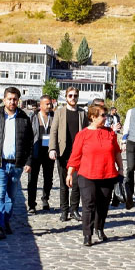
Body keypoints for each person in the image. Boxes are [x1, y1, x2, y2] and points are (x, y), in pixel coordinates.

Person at [65, 103, 124, 246]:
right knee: (88, 205)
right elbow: (75, 156)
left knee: (103, 205)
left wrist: (121, 168)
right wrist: (69, 173)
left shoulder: (110, 132)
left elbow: (116, 152)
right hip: (87, 175)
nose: (106, 118)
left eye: (106, 115)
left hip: (107, 174)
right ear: (92, 117)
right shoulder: (83, 134)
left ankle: (99, 228)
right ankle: (87, 234)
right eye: (103, 115)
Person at [0, 87, 33, 241]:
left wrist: (28, 161)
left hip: (16, 164)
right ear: (4, 100)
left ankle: (5, 221)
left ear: (18, 100)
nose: (12, 102)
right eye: (9, 99)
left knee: (11, 196)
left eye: (15, 99)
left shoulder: (24, 118)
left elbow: (30, 142)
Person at [49, 87, 89, 222]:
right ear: (66, 97)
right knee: (63, 183)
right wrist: (52, 149)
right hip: (63, 152)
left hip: (78, 154)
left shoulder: (82, 113)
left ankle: (74, 209)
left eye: (75, 96)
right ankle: (64, 210)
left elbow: (87, 133)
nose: (73, 98)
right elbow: (53, 132)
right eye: (70, 95)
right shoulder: (59, 112)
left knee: (77, 183)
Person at [27, 95, 54, 214]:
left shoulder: (54, 117)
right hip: (35, 152)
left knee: (48, 178)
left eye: (50, 104)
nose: (49, 106)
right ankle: (31, 204)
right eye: (47, 104)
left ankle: (45, 199)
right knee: (32, 179)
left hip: (49, 152)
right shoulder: (33, 117)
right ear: (41, 105)